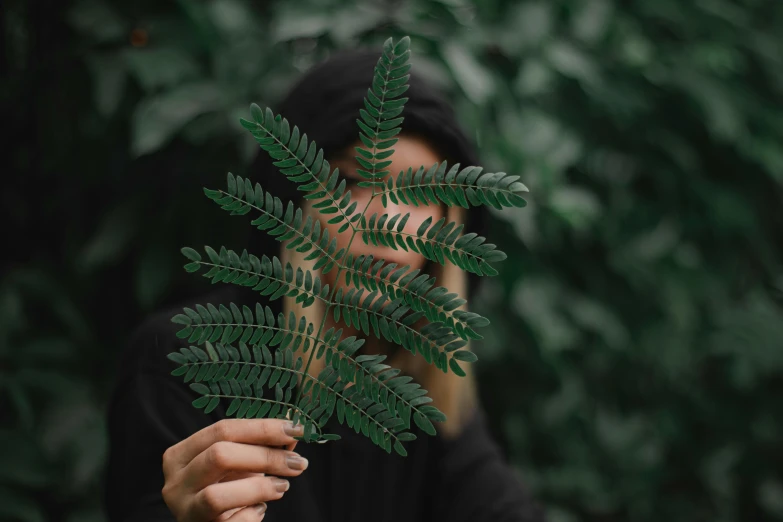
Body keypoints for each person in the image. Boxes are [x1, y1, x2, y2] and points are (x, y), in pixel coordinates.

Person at [104, 47, 546, 522]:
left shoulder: (418, 387)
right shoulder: (185, 359)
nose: (388, 224)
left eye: (422, 194)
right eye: (353, 182)